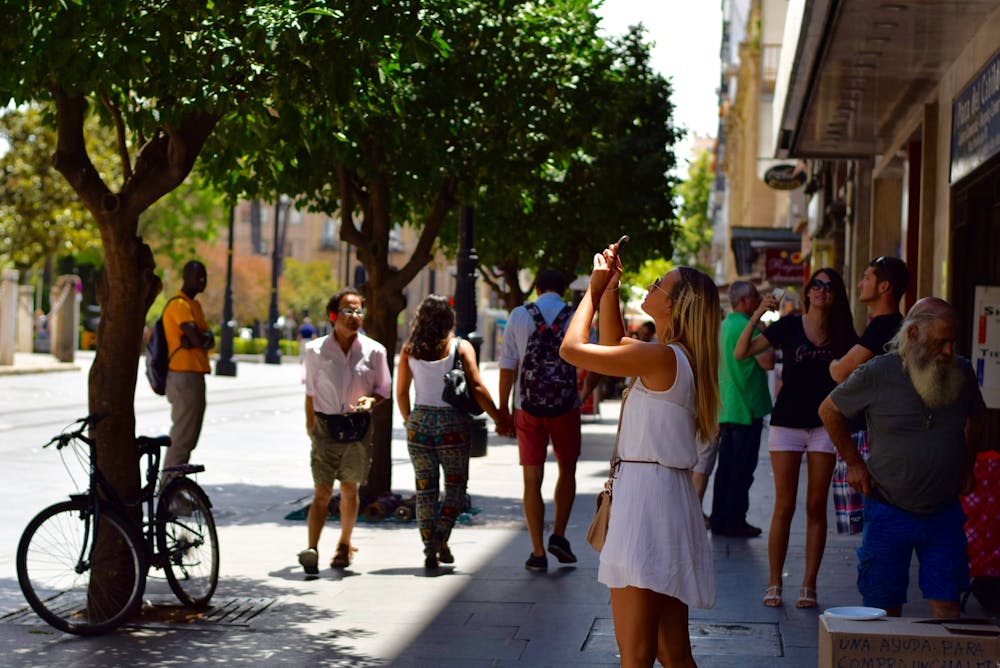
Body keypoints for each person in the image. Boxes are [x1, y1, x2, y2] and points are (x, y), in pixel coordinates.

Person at [560, 242, 720, 668]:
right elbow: (614, 348)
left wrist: (592, 293)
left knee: (636, 656)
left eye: (658, 285)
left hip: (645, 503)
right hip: (667, 497)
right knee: (673, 653)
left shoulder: (661, 356)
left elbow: (572, 350)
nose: (649, 286)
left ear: (674, 306)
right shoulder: (677, 358)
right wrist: (611, 289)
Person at [819, 298, 986, 618]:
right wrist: (854, 463)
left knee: (948, 606)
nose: (950, 351)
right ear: (912, 336)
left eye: (953, 342)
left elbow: (977, 417)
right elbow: (829, 410)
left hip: (944, 511)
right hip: (887, 509)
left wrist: (967, 466)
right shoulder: (878, 372)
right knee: (882, 609)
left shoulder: (961, 371)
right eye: (941, 342)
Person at [734, 267, 857, 609]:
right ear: (807, 292)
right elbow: (741, 352)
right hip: (787, 423)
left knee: (816, 506)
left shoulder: (844, 333)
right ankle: (774, 583)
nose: (821, 290)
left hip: (824, 425)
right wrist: (758, 314)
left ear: (836, 295)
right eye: (816, 285)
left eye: (829, 287)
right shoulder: (788, 326)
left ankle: (808, 584)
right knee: (784, 505)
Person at [396, 296, 510, 569]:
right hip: (452, 426)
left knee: (425, 490)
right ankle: (440, 536)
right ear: (449, 318)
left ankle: (430, 547)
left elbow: (400, 392)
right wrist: (499, 418)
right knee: (456, 488)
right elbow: (478, 387)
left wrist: (410, 421)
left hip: (419, 421)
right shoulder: (460, 347)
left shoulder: (409, 349)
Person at [298, 288, 391, 574]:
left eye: (359, 311)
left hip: (357, 428)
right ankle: (312, 548)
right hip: (325, 427)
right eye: (348, 310)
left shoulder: (375, 351)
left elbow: (383, 390)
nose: (355, 316)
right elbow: (310, 393)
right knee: (322, 491)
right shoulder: (315, 351)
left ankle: (343, 545)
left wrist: (371, 401)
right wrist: (311, 426)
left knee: (350, 489)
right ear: (333, 315)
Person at [498, 269, 582, 572]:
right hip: (566, 407)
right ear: (563, 288)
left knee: (532, 478)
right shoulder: (577, 316)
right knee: (567, 469)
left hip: (527, 407)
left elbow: (507, 364)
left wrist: (503, 408)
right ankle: (558, 535)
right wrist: (583, 391)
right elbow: (594, 361)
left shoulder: (519, 315)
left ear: (536, 288)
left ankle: (537, 551)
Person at [709, 282, 775, 537]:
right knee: (741, 469)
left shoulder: (724, 326)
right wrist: (761, 327)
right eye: (757, 297)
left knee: (726, 468)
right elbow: (768, 362)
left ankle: (720, 518)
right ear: (746, 301)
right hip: (746, 408)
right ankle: (735, 519)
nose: (760, 301)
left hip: (727, 407)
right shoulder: (747, 327)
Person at [162, 260, 214, 473]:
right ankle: (168, 489)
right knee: (182, 437)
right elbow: (197, 338)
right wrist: (199, 338)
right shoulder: (179, 305)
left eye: (204, 275)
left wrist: (201, 338)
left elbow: (208, 340)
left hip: (194, 375)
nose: (202, 280)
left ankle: (173, 488)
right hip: (184, 375)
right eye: (198, 276)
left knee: (188, 437)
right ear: (186, 277)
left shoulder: (195, 306)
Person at [829, 256, 909, 382]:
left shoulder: (881, 326)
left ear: (884, 286)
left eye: (866, 278)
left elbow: (840, 372)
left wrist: (831, 363)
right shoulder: (898, 322)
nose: (859, 284)